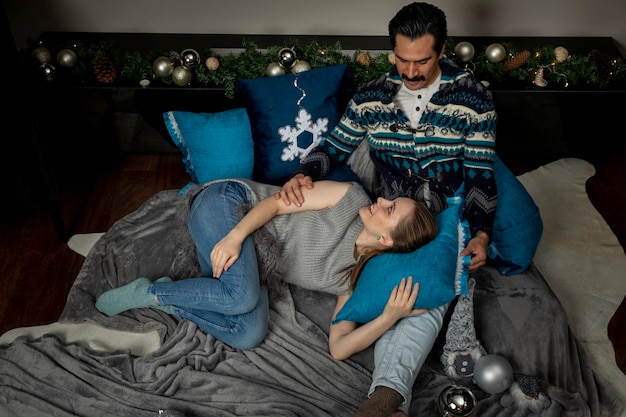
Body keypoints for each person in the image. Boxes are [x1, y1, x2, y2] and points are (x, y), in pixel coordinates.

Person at [276, 2, 498, 415]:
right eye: (401, 60)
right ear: (392, 51)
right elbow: (335, 147)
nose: (410, 72)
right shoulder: (372, 96)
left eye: (422, 61)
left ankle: (384, 399)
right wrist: (305, 173)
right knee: (404, 292)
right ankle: (387, 401)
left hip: (444, 221)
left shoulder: (474, 99)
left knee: (426, 290)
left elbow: (481, 175)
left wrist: (482, 233)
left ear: (443, 49)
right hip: (392, 221)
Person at [95, 178, 439, 353]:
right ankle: (151, 292)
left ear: (387, 241)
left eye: (390, 209)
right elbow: (275, 204)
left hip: (246, 263)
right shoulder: (350, 197)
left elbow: (338, 348)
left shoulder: (352, 281)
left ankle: (166, 294)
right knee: (241, 298)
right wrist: (234, 236)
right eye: (390, 200)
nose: (382, 200)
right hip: (230, 205)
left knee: (248, 334)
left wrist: (388, 318)